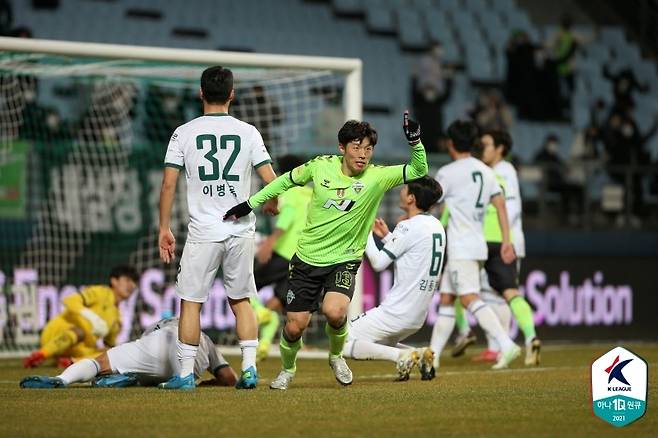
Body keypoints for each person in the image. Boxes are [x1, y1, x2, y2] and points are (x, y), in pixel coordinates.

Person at [224, 112, 428, 390]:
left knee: (335, 311)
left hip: (344, 259)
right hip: (307, 258)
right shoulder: (319, 167)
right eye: (356, 147)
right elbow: (285, 181)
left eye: (368, 148)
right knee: (295, 325)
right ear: (341, 148)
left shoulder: (378, 177)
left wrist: (415, 142)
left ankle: (336, 356)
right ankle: (287, 369)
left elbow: (418, 171)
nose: (363, 154)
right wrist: (250, 203)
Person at [158, 66, 279, 390]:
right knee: (241, 301)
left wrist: (163, 228)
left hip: (203, 232)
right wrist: (272, 202)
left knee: (191, 303)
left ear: (200, 93)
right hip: (240, 230)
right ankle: (250, 370)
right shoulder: (249, 131)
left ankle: (185, 375)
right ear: (232, 94)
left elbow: (168, 184)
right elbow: (271, 180)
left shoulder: (183, 132)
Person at [430, 120, 520, 372]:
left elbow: (432, 201)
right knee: (447, 299)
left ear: (450, 143)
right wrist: (506, 240)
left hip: (461, 246)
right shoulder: (486, 170)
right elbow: (501, 205)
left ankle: (506, 343)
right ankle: (433, 356)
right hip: (478, 244)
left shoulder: (448, 172)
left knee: (469, 298)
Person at [341, 176, 445, 381]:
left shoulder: (408, 226)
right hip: (416, 315)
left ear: (411, 199)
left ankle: (401, 355)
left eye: (405, 188)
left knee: (341, 341)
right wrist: (388, 237)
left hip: (396, 311)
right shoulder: (436, 225)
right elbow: (413, 255)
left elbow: (379, 263)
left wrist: (365, 233)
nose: (401, 191)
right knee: (377, 343)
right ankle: (421, 355)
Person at [460, 130, 541, 365]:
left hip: (504, 242)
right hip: (496, 240)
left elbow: (511, 209)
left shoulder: (505, 172)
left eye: (486, 144)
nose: (482, 148)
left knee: (500, 294)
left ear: (500, 149)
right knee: (493, 293)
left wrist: (505, 239)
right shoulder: (491, 172)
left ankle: (503, 345)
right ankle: (505, 344)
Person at [20, 317, 237, 389]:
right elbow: (229, 378)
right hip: (189, 363)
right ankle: (132, 379)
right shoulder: (204, 337)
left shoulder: (157, 326)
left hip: (155, 345)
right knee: (162, 376)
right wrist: (209, 382)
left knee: (101, 363)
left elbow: (145, 345)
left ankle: (61, 380)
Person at [252, 153, 313, 361]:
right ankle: (266, 343)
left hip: (284, 252)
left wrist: (270, 242)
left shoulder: (289, 191)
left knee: (245, 281)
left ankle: (260, 314)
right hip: (302, 256)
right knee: (279, 301)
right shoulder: (310, 194)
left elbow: (286, 217)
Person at [23, 265, 138, 368]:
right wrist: (92, 317)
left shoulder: (117, 319)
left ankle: (70, 362)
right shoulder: (100, 292)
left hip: (76, 349)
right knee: (79, 332)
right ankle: (40, 355)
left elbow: (109, 346)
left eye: (134, 282)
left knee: (108, 354)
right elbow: (69, 300)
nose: (131, 285)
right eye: (127, 280)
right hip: (54, 334)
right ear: (114, 281)